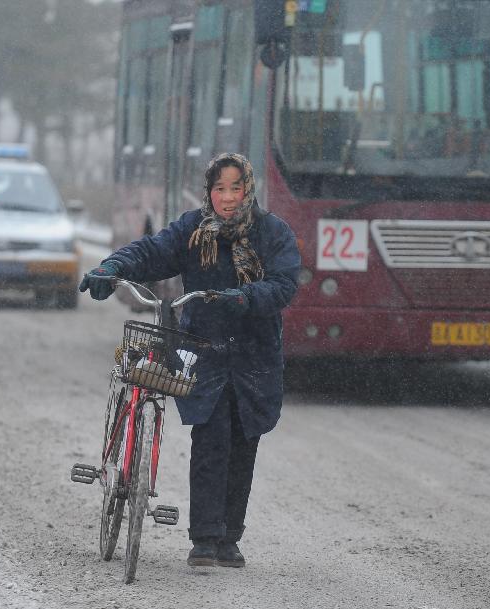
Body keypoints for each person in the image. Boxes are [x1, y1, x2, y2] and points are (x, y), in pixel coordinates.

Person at [79, 152, 301, 568]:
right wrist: (112, 267)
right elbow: (152, 251)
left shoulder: (273, 234)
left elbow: (284, 285)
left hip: (254, 355)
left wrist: (246, 297)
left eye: (236, 188)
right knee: (211, 437)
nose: (228, 197)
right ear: (209, 191)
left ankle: (230, 538)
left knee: (243, 441)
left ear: (248, 189)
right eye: (220, 188)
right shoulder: (192, 231)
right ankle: (204, 538)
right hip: (204, 350)